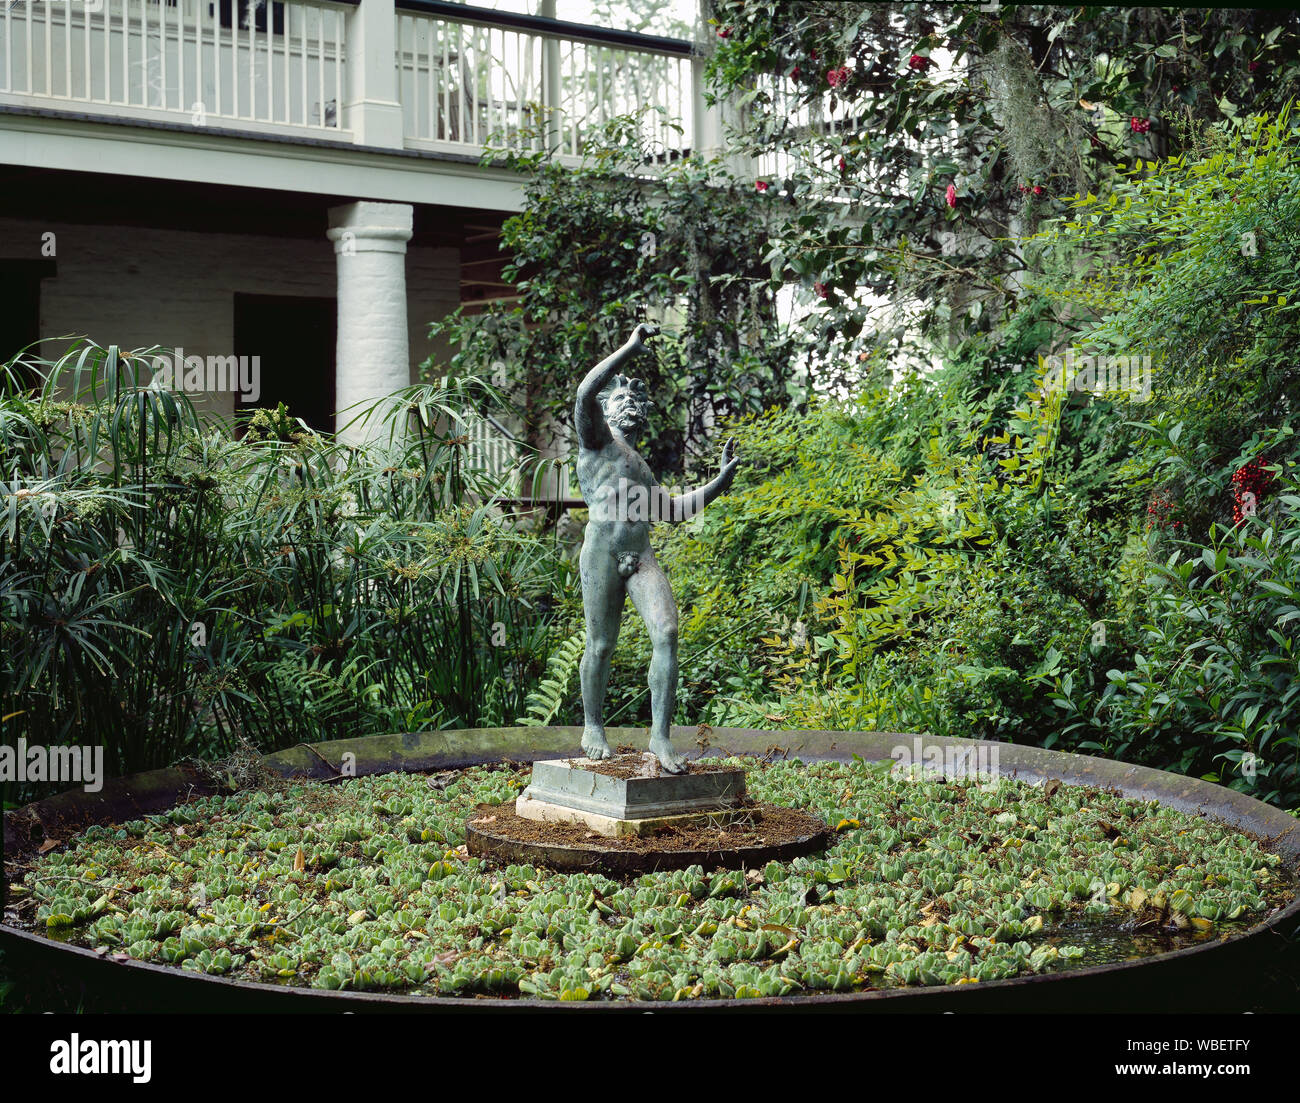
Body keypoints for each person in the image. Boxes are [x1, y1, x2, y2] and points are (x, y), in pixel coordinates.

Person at [573, 322, 740, 773]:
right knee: (602, 644)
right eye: (621, 399)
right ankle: (593, 725)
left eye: (635, 403)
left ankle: (660, 737)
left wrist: (720, 480)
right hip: (602, 553)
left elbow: (671, 509)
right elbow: (586, 393)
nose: (630, 406)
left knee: (666, 632)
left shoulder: (638, 464)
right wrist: (629, 347)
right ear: (608, 410)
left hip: (640, 556)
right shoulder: (596, 443)